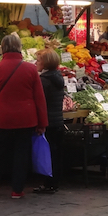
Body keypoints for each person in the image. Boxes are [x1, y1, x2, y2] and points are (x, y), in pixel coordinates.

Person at [0, 33, 48, 198]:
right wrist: (42, 123)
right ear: (19, 48)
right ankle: (17, 190)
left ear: (2, 48)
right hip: (26, 119)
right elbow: (39, 99)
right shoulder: (30, 69)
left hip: (2, 119)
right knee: (21, 155)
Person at [34, 48, 65, 194]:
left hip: (48, 122)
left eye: (39, 60)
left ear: (45, 63)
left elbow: (40, 102)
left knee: (47, 154)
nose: (36, 63)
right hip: (58, 121)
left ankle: (48, 183)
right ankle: (54, 183)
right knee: (56, 154)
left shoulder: (44, 81)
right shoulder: (58, 77)